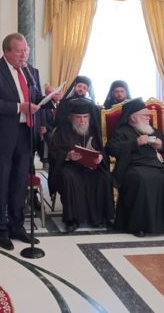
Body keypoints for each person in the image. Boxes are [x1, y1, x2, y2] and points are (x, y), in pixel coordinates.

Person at [0, 33, 53, 250]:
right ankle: (1, 230)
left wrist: (50, 99)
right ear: (7, 51)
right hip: (2, 136)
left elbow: (35, 97)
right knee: (1, 184)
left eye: (26, 50)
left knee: (20, 184)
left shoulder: (31, 71)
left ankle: (17, 226)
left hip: (25, 134)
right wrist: (18, 108)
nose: (24, 55)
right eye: (20, 51)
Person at [105, 98, 164, 238]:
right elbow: (111, 148)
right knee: (142, 179)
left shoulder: (153, 131)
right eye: (145, 115)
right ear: (133, 117)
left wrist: (161, 146)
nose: (149, 118)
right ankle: (139, 225)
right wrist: (135, 142)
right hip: (133, 166)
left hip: (157, 165)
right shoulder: (121, 132)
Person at [49, 98, 114, 232]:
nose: (82, 121)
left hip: (91, 167)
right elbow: (53, 152)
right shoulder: (62, 130)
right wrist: (68, 155)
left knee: (104, 177)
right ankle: (72, 220)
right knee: (69, 178)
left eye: (85, 117)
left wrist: (100, 157)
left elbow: (102, 150)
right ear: (71, 117)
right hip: (69, 166)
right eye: (78, 117)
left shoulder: (94, 130)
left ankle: (100, 218)